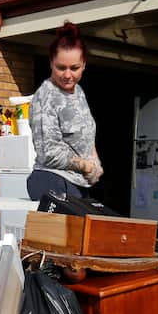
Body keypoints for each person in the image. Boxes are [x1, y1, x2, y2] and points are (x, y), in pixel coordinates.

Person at [27, 21, 102, 201]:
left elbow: (86, 135)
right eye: (61, 67)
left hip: (78, 184)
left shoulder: (79, 92)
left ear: (84, 64)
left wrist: (95, 161)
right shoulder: (46, 96)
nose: (68, 75)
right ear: (51, 63)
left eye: (74, 68)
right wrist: (86, 166)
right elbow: (49, 152)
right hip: (52, 180)